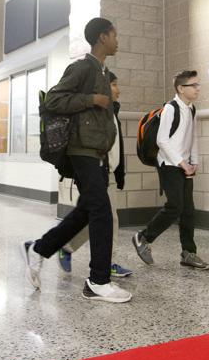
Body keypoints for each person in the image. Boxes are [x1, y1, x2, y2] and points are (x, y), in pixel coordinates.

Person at [22, 18, 130, 303]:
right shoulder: (83, 67)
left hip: (96, 153)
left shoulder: (103, 72)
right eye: (114, 34)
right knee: (102, 212)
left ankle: (39, 249)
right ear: (102, 37)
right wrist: (91, 99)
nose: (118, 40)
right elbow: (53, 101)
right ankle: (98, 281)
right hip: (82, 151)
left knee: (85, 211)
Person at [58, 72, 132, 278]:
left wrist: (118, 175)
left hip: (108, 174)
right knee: (106, 219)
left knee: (104, 219)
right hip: (97, 174)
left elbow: (116, 148)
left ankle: (68, 247)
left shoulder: (112, 112)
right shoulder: (97, 113)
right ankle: (73, 249)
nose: (118, 89)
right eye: (114, 85)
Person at [133, 70, 208, 270]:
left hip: (184, 165)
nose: (198, 88)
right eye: (194, 85)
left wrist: (194, 161)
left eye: (197, 84)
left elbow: (192, 137)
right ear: (181, 89)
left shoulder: (191, 109)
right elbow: (162, 140)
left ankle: (188, 252)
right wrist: (182, 162)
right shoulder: (171, 108)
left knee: (188, 210)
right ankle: (143, 237)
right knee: (175, 206)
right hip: (169, 164)